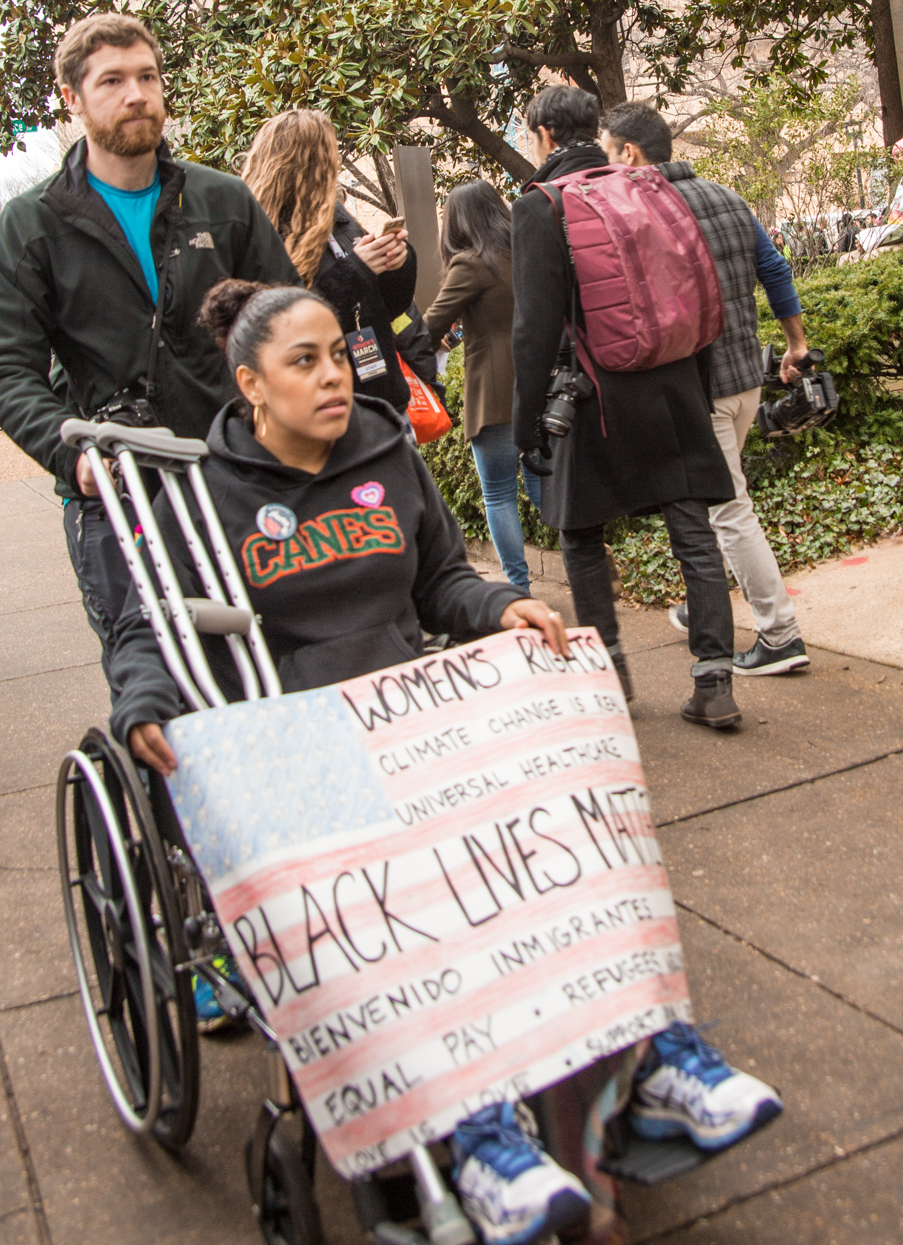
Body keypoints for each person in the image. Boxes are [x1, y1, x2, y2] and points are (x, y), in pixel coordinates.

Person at [109, 279, 781, 1244]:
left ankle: (656, 1052)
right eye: (306, 363)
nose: (335, 376)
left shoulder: (386, 452)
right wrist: (143, 701)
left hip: (412, 721)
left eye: (339, 354)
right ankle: (477, 1139)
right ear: (250, 385)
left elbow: (442, 583)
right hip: (302, 756)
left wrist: (502, 605)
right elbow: (148, 628)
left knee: (560, 831)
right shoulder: (205, 499)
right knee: (413, 924)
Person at [0, 11, 297, 679]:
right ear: (73, 98)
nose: (136, 95)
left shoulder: (223, 201)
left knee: (279, 667)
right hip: (120, 496)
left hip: (239, 477)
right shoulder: (31, 226)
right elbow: (3, 368)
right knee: (161, 687)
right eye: (113, 81)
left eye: (147, 76)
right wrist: (76, 457)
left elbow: (290, 325)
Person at [510, 86, 741, 728]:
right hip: (671, 380)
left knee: (581, 533)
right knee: (691, 525)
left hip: (593, 391)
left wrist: (526, 421)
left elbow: (533, 328)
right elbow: (694, 285)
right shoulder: (650, 185)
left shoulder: (540, 206)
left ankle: (611, 676)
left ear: (546, 136)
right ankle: (714, 680)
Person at [599, 103, 810, 677]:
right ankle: (703, 604)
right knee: (722, 498)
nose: (603, 160)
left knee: (729, 510)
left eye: (606, 149)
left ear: (630, 154)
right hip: (748, 381)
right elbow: (776, 269)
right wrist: (796, 346)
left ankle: (780, 634)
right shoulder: (727, 196)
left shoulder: (643, 210)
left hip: (703, 388)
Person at [240, 110, 418, 419]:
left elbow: (389, 306)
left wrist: (396, 262)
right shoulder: (260, 233)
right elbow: (283, 323)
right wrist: (357, 270)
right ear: (305, 162)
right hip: (322, 409)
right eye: (329, 151)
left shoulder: (338, 217)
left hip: (384, 400)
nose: (336, 161)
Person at [423, 180, 541, 593]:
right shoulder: (526, 252)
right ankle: (586, 556)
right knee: (544, 482)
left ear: (458, 221)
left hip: (493, 394)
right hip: (538, 384)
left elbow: (430, 325)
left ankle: (518, 587)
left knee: (499, 495)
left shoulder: (471, 264)